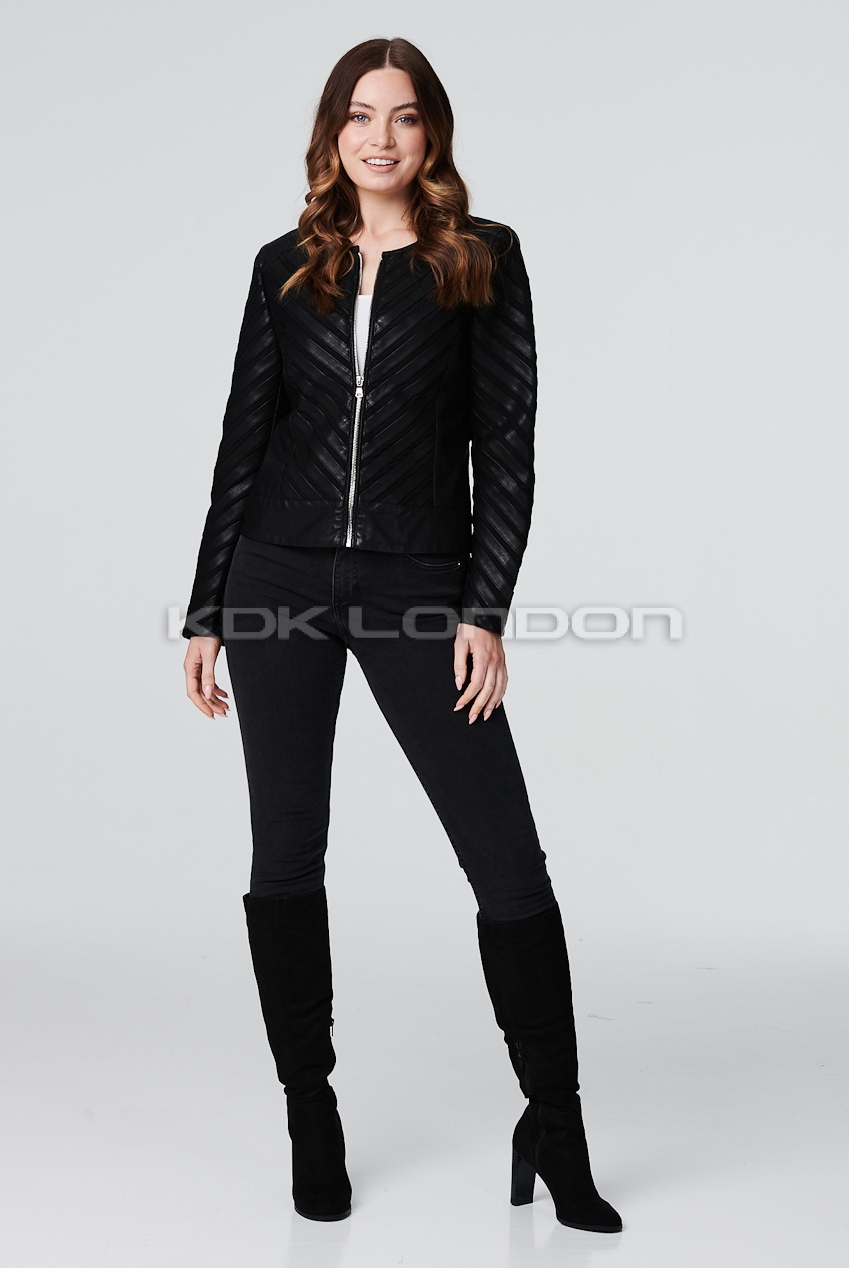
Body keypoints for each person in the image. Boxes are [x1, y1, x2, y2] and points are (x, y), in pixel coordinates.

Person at [181, 36, 622, 1234]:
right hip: (276, 575)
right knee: (287, 850)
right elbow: (242, 440)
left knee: (507, 859)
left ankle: (557, 1123)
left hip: (418, 581)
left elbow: (508, 448)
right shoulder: (285, 267)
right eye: (361, 115)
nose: (382, 137)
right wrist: (208, 607)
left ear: (433, 135)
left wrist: (484, 608)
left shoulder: (481, 258)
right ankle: (309, 1109)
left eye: (406, 116)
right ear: (333, 133)